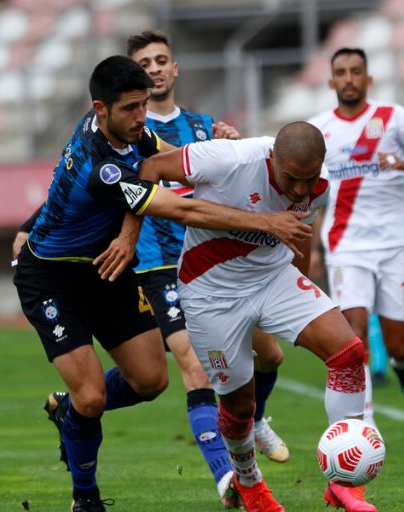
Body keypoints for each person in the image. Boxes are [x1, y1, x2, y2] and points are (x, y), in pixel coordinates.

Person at [12, 55, 312, 512]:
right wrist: (265, 222)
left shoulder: (123, 131)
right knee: (92, 395)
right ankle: (85, 498)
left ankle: (68, 413)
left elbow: (170, 163)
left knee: (151, 381)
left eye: (143, 105)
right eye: (130, 108)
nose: (140, 117)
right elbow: (183, 209)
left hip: (103, 266)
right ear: (100, 108)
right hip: (50, 278)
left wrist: (220, 150)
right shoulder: (101, 169)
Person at [139, 121, 377, 512]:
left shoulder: (320, 185)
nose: (300, 189)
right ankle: (248, 483)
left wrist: (303, 307)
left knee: (348, 353)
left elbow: (299, 233)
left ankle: (343, 481)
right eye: (290, 179)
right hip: (209, 291)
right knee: (239, 407)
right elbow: (149, 170)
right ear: (273, 159)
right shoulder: (229, 157)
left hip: (272, 278)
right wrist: (129, 236)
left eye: (309, 178)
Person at [126, 29, 289, 504]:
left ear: (175, 69)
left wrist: (232, 145)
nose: (155, 68)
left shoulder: (204, 127)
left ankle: (256, 420)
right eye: (145, 63)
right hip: (159, 267)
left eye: (162, 60)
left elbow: (236, 173)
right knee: (195, 368)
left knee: (272, 357)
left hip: (217, 262)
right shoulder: (129, 133)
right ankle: (227, 477)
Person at [307, 47, 404, 427]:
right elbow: (318, 194)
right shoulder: (319, 129)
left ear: (368, 79)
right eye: (341, 72)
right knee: (354, 337)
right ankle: (363, 426)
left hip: (397, 244)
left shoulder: (392, 117)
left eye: (356, 71)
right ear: (331, 81)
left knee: (398, 343)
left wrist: (402, 163)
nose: (349, 78)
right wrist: (315, 245)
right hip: (347, 246)